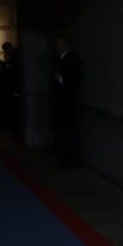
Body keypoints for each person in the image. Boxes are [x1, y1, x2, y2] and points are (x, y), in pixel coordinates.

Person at [51, 36, 83, 167]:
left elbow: (77, 77)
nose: (57, 46)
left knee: (69, 132)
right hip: (61, 102)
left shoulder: (72, 59)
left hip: (68, 102)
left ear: (66, 44)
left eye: (60, 43)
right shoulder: (60, 59)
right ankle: (65, 159)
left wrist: (61, 80)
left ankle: (71, 160)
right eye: (57, 43)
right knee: (63, 132)